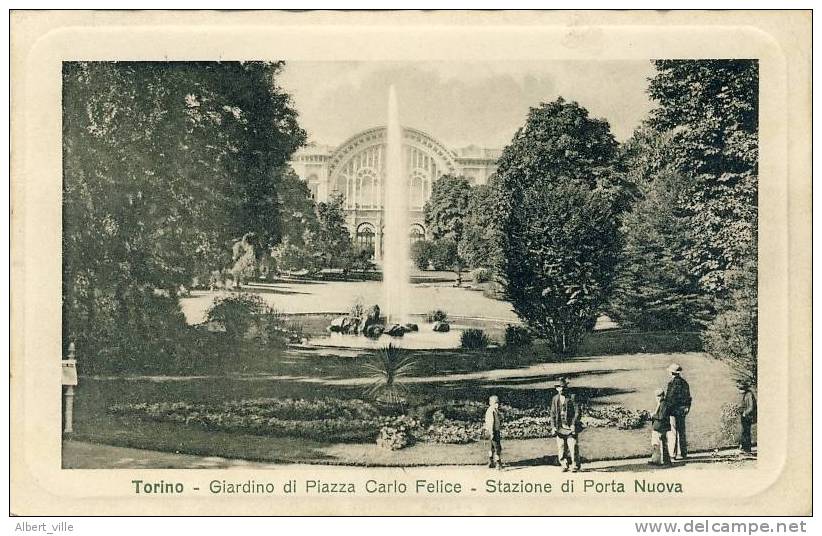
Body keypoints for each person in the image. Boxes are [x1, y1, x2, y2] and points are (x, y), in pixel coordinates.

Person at [548, 378, 582, 472]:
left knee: (573, 446)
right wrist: (553, 427)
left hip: (570, 426)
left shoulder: (572, 397)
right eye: (559, 387)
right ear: (556, 388)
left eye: (563, 387)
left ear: (566, 387)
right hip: (560, 427)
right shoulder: (555, 399)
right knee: (561, 447)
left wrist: (574, 423)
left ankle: (575, 465)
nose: (561, 389)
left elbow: (577, 412)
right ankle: (564, 464)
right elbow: (553, 414)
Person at [665, 363, 692, 460]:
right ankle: (682, 453)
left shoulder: (672, 383)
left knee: (673, 432)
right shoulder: (684, 383)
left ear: (672, 373)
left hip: (674, 410)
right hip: (682, 409)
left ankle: (673, 453)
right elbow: (688, 397)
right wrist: (687, 407)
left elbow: (671, 398)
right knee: (681, 431)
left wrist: (666, 409)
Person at [649, 388, 672, 466]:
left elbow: (661, 416)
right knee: (655, 443)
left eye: (658, 396)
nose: (657, 398)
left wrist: (653, 415)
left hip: (661, 427)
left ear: (662, 396)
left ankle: (662, 460)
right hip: (658, 426)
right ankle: (656, 460)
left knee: (661, 444)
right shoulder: (661, 403)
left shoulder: (664, 404)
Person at [737, 380, 757, 455]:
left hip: (748, 416)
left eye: (739, 387)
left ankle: (747, 449)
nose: (738, 389)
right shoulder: (746, 394)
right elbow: (744, 405)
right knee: (744, 432)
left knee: (746, 432)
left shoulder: (749, 394)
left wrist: (745, 413)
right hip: (744, 415)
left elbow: (751, 407)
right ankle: (744, 448)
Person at [484, 395, 503, 469]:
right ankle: (498, 463)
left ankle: (491, 462)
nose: (497, 404)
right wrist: (492, 432)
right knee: (497, 447)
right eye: (495, 402)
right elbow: (491, 422)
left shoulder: (493, 410)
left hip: (492, 430)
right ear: (490, 403)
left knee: (491, 447)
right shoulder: (491, 411)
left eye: (498, 402)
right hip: (494, 431)